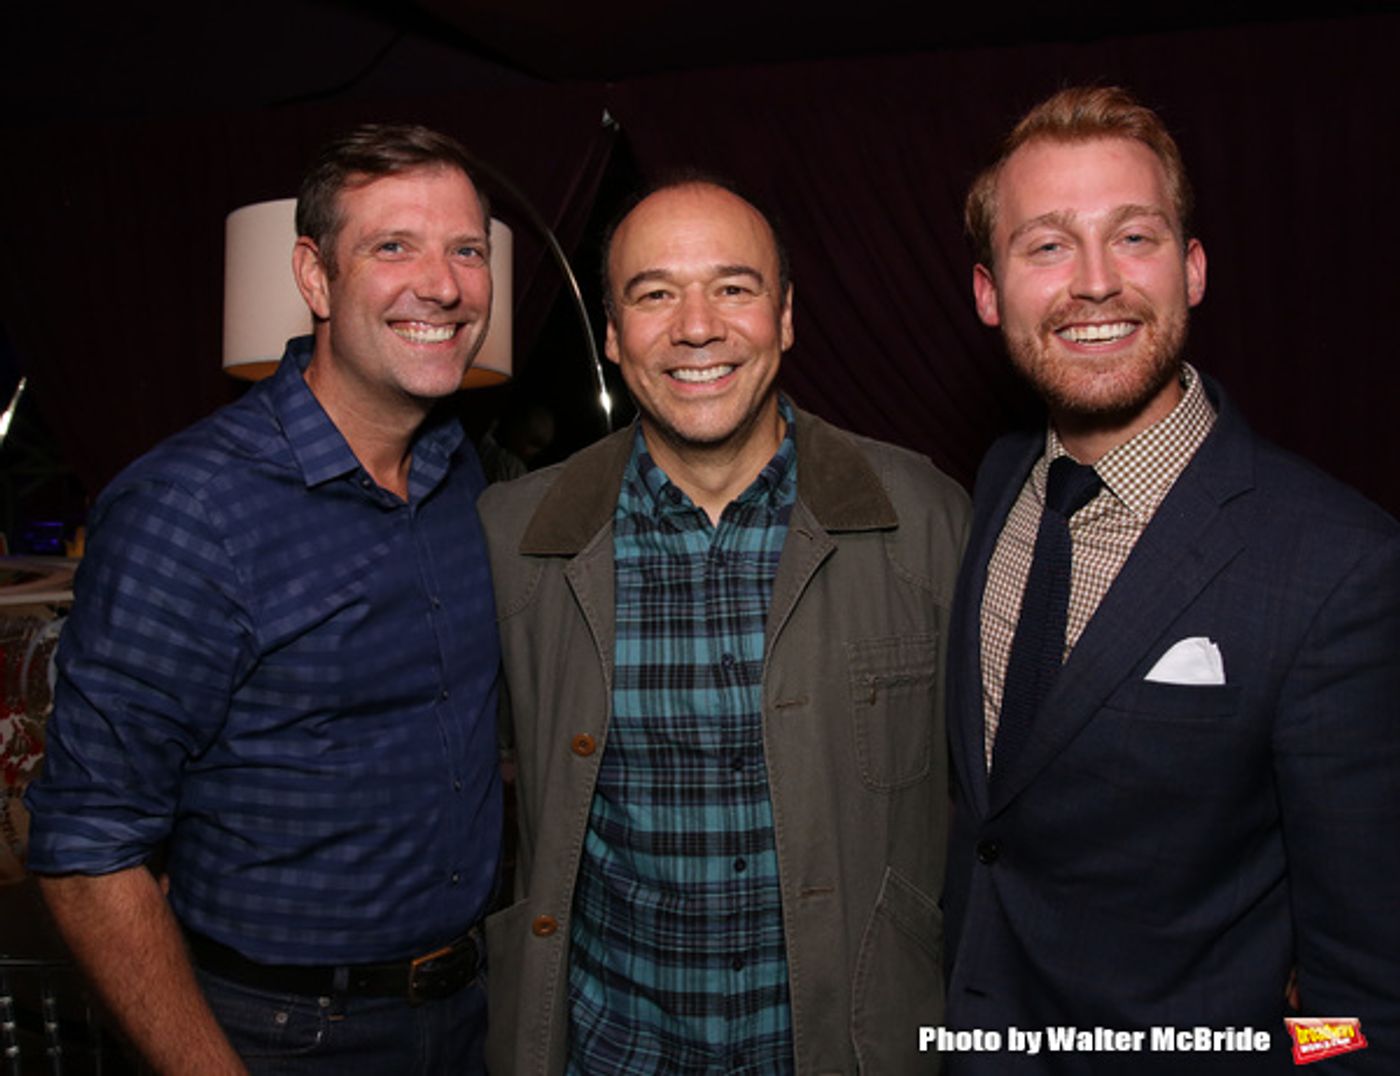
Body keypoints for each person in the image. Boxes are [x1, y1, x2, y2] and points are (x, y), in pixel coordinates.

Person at [24, 123, 503, 1074]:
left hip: (467, 1017)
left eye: (466, 250)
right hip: (283, 1037)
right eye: (392, 247)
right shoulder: (191, 510)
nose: (442, 284)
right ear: (315, 278)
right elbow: (86, 850)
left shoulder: (463, 477)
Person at [943, 86, 1400, 1074]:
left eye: (1134, 237)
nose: (1095, 282)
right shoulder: (991, 488)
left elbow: (1364, 985)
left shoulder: (1336, 565)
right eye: (1047, 245)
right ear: (989, 292)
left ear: (1190, 269)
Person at [477, 176, 969, 1073]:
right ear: (615, 336)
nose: (696, 326)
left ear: (784, 318)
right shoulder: (512, 540)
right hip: (607, 1054)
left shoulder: (928, 521)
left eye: (733, 288)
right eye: (655, 293)